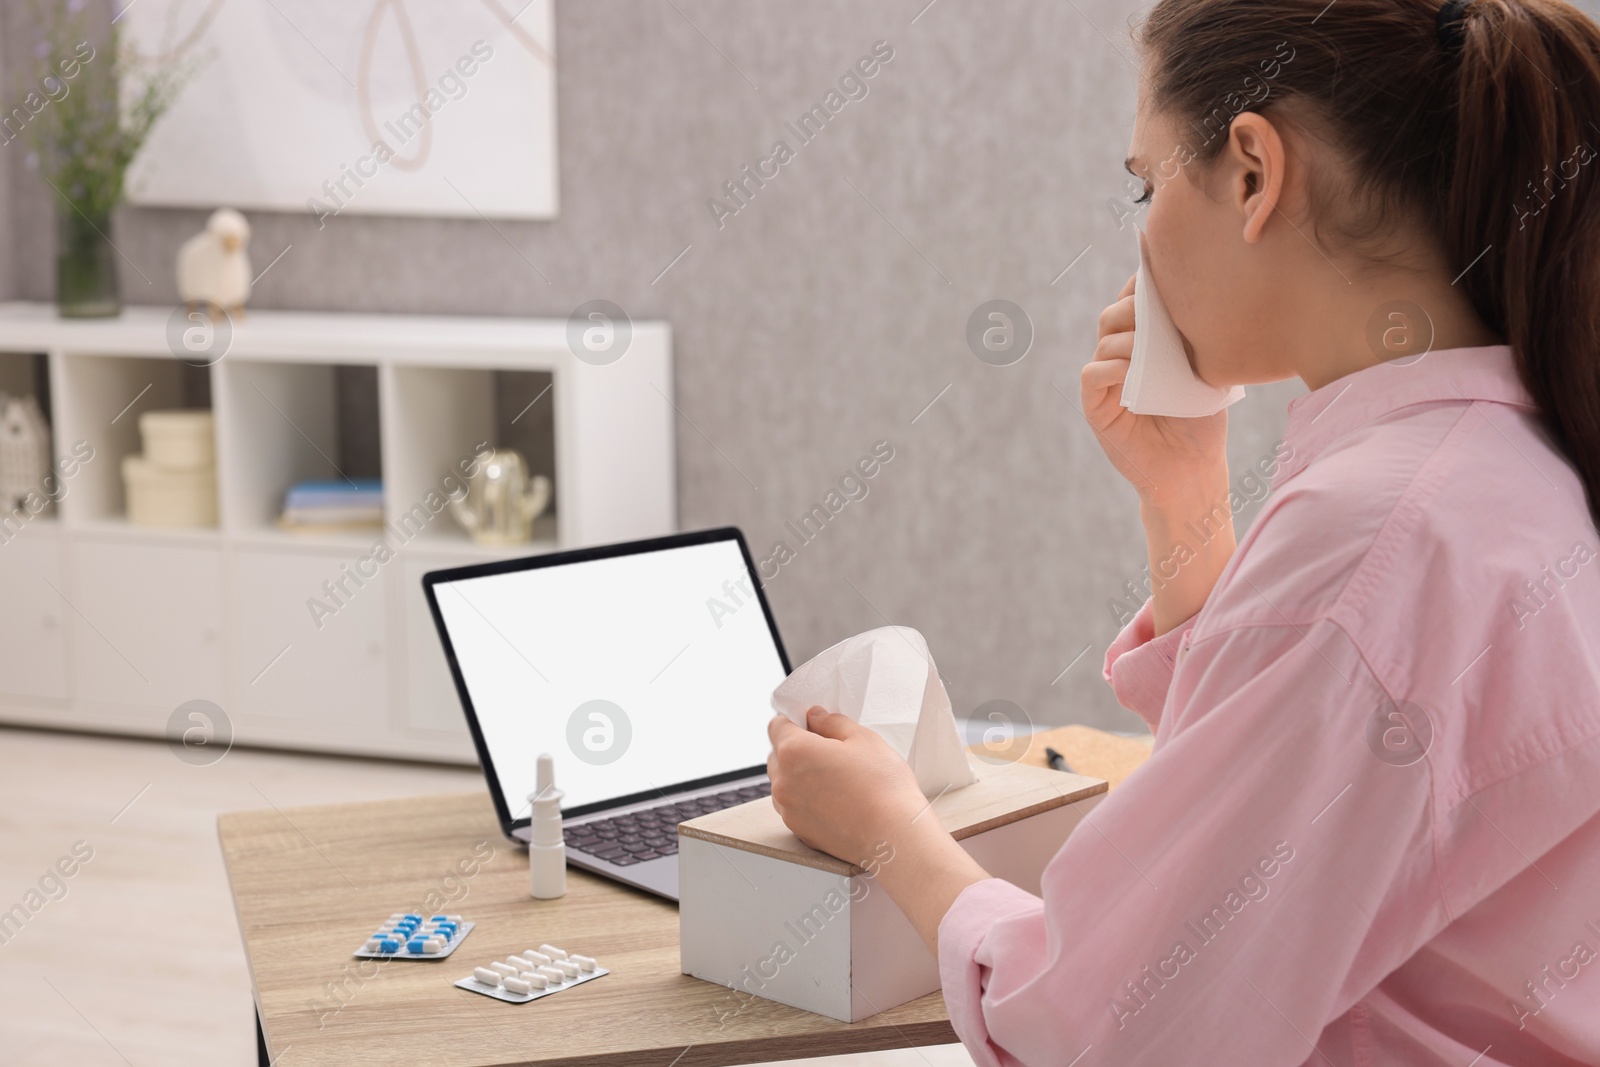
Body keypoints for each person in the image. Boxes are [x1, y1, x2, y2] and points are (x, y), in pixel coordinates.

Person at [765, 0, 1600, 1062]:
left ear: (1252, 171)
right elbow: (1289, 816)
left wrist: (891, 832)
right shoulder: (1512, 459)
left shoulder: (1374, 537)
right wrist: (1183, 495)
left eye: (1145, 182)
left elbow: (1113, 1030)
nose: (1142, 227)